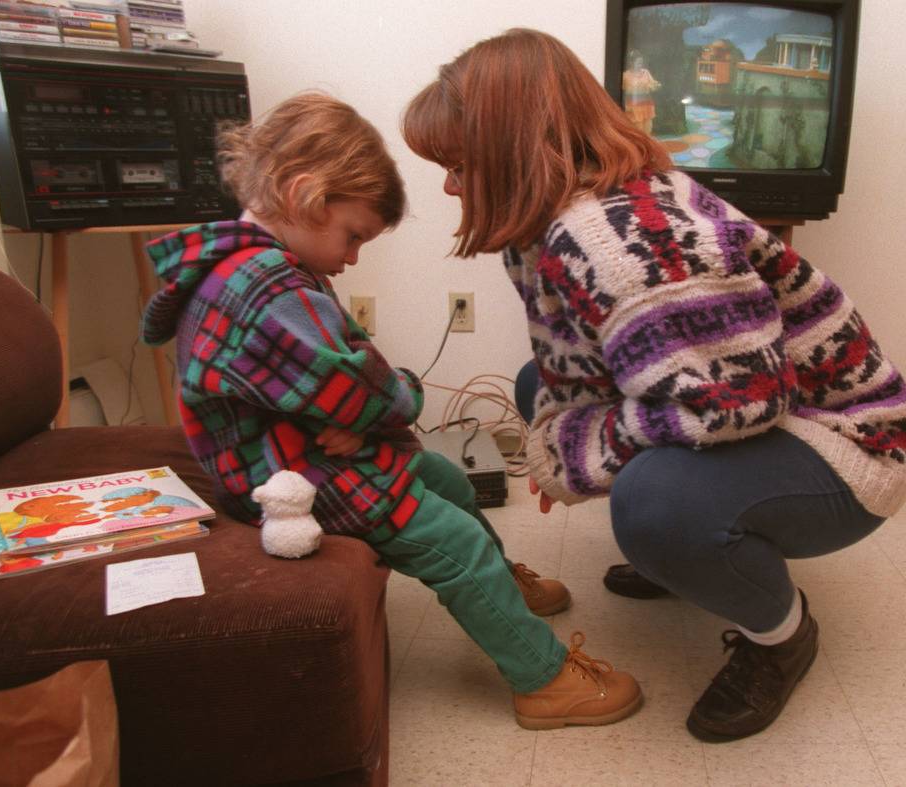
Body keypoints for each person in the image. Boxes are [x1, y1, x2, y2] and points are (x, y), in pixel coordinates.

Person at [402, 29, 906, 742]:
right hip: (761, 408)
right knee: (534, 389)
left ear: (512, 151)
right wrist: (568, 436)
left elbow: (741, 399)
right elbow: (567, 372)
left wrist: (575, 456)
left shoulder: (617, 240)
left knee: (653, 505)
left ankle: (779, 633)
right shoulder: (553, 221)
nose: (452, 185)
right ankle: (691, 549)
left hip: (849, 447)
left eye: (459, 165)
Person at [140, 91, 643, 730]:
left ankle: (502, 589)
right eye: (353, 236)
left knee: (449, 481)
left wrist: (360, 411)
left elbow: (343, 385)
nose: (352, 259)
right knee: (455, 541)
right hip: (288, 479)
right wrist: (399, 394)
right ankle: (542, 681)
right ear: (303, 194)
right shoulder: (267, 292)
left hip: (301, 445)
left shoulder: (251, 264)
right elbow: (371, 392)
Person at [621, 50, 661, 135]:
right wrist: (640, 88)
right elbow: (625, 91)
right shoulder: (625, 75)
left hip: (647, 105)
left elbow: (653, 84)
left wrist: (656, 85)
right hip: (633, 107)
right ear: (631, 62)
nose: (640, 65)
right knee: (637, 131)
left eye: (641, 62)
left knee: (647, 131)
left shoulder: (646, 72)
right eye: (638, 62)